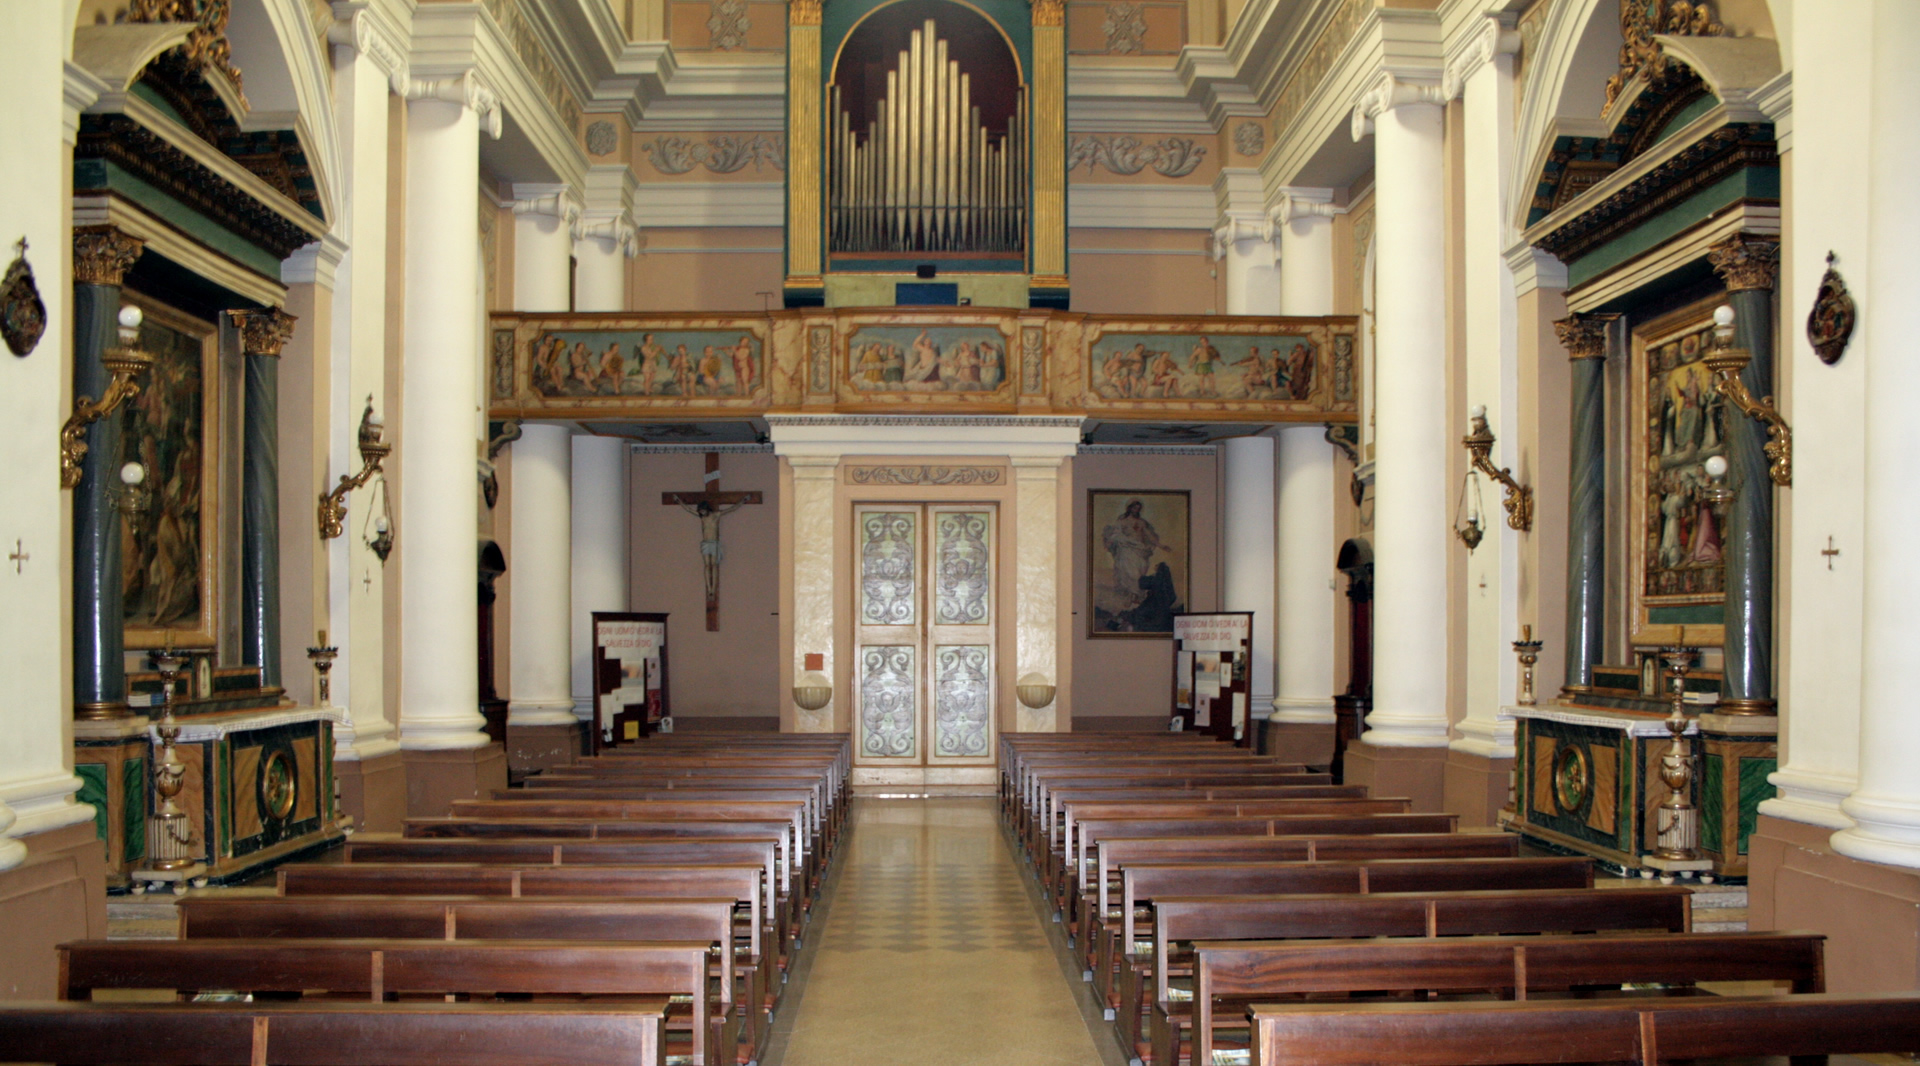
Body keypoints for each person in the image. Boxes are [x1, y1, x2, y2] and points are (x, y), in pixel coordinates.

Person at [1100, 499, 1166, 620]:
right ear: (1129, 508)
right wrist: (1109, 542)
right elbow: (1116, 534)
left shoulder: (1141, 522)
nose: (1136, 510)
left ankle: (1134, 596)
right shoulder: (1122, 521)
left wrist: (1161, 545)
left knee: (1138, 574)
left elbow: (1149, 536)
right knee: (1129, 574)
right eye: (1134, 508)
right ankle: (1130, 597)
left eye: (1138, 508)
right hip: (1126, 550)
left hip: (1139, 551)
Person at [679, 497, 750, 604]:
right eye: (700, 511)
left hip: (714, 543)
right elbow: (688, 509)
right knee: (707, 566)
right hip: (706, 543)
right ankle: (709, 589)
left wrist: (743, 501)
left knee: (714, 565)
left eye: (703, 510)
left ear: (707, 509)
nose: (702, 512)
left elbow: (732, 509)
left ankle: (713, 589)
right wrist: (678, 501)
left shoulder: (716, 515)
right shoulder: (702, 518)